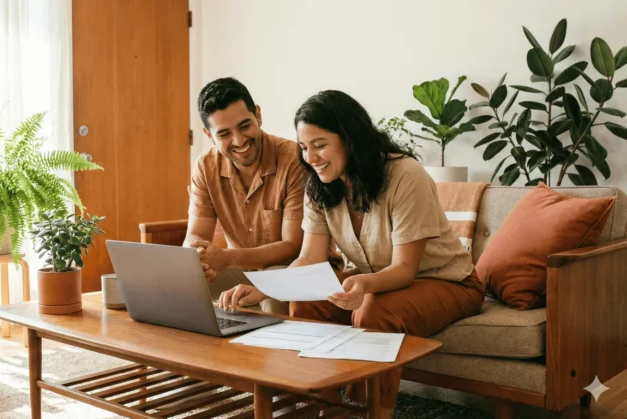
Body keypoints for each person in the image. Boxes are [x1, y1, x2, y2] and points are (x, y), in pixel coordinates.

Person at [218, 90, 484, 418]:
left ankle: (368, 412)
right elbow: (309, 259)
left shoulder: (404, 175)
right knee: (306, 302)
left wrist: (365, 285)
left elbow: (404, 269)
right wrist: (262, 289)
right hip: (380, 282)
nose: (311, 157)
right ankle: (326, 407)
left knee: (374, 310)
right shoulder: (319, 185)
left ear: (349, 138)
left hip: (449, 282)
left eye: (320, 145)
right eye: (304, 147)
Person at [184, 77, 306, 314]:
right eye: (224, 134)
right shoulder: (206, 166)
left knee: (272, 296)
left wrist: (226, 258)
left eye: (244, 126)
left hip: (291, 268)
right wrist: (198, 257)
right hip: (241, 269)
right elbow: (195, 235)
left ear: (258, 115)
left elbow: (293, 247)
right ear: (208, 135)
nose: (239, 141)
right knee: (183, 284)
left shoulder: (294, 160)